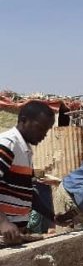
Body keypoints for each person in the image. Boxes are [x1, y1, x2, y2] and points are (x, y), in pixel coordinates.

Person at [0, 101, 54, 244]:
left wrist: (53, 216)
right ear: (24, 121)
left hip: (13, 236)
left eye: (47, 130)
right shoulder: (8, 144)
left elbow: (27, 193)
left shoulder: (25, 150)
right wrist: (3, 223)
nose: (44, 135)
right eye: (40, 128)